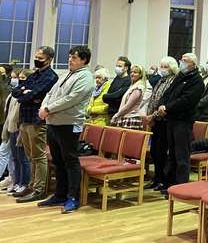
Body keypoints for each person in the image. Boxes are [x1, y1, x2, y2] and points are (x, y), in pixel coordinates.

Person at [36, 46, 95, 212]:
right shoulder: (67, 74)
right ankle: (59, 195)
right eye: (70, 57)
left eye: (74, 57)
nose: (70, 60)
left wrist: (48, 110)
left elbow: (71, 99)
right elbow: (51, 93)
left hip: (69, 124)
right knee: (58, 161)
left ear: (84, 60)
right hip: (53, 123)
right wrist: (44, 106)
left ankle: (73, 197)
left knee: (70, 161)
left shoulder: (85, 77)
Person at [12, 46, 58, 203]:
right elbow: (16, 91)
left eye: (40, 58)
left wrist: (27, 93)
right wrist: (25, 92)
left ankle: (39, 189)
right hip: (25, 118)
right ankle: (31, 185)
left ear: (49, 59)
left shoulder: (51, 77)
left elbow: (36, 93)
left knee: (39, 156)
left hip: (38, 120)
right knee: (29, 156)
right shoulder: (35, 74)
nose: (37, 60)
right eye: (36, 57)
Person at [159, 53, 204, 192]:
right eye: (181, 60)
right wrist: (162, 105)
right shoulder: (180, 76)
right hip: (171, 119)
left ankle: (180, 187)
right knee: (171, 153)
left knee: (181, 155)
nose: (182, 63)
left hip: (183, 121)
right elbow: (168, 93)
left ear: (193, 65)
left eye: (185, 61)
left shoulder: (197, 81)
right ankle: (169, 185)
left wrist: (167, 107)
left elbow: (186, 100)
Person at [144, 56, 178, 191]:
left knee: (161, 152)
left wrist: (153, 115)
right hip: (155, 120)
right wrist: (150, 116)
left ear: (172, 68)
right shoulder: (160, 80)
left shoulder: (173, 81)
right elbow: (154, 99)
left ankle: (162, 179)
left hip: (164, 120)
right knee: (154, 151)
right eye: (162, 66)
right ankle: (156, 178)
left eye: (166, 67)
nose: (163, 69)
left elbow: (165, 102)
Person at [111, 64, 149, 130]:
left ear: (140, 75)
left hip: (132, 119)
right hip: (126, 117)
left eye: (135, 72)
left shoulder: (138, 87)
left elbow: (128, 106)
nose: (132, 74)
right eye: (131, 72)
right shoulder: (132, 86)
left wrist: (116, 115)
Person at [102, 56, 131, 122]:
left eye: (120, 66)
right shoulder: (117, 78)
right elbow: (109, 93)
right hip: (110, 111)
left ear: (126, 68)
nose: (117, 68)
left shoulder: (128, 80)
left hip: (118, 113)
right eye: (116, 66)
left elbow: (118, 96)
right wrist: (106, 97)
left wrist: (107, 96)